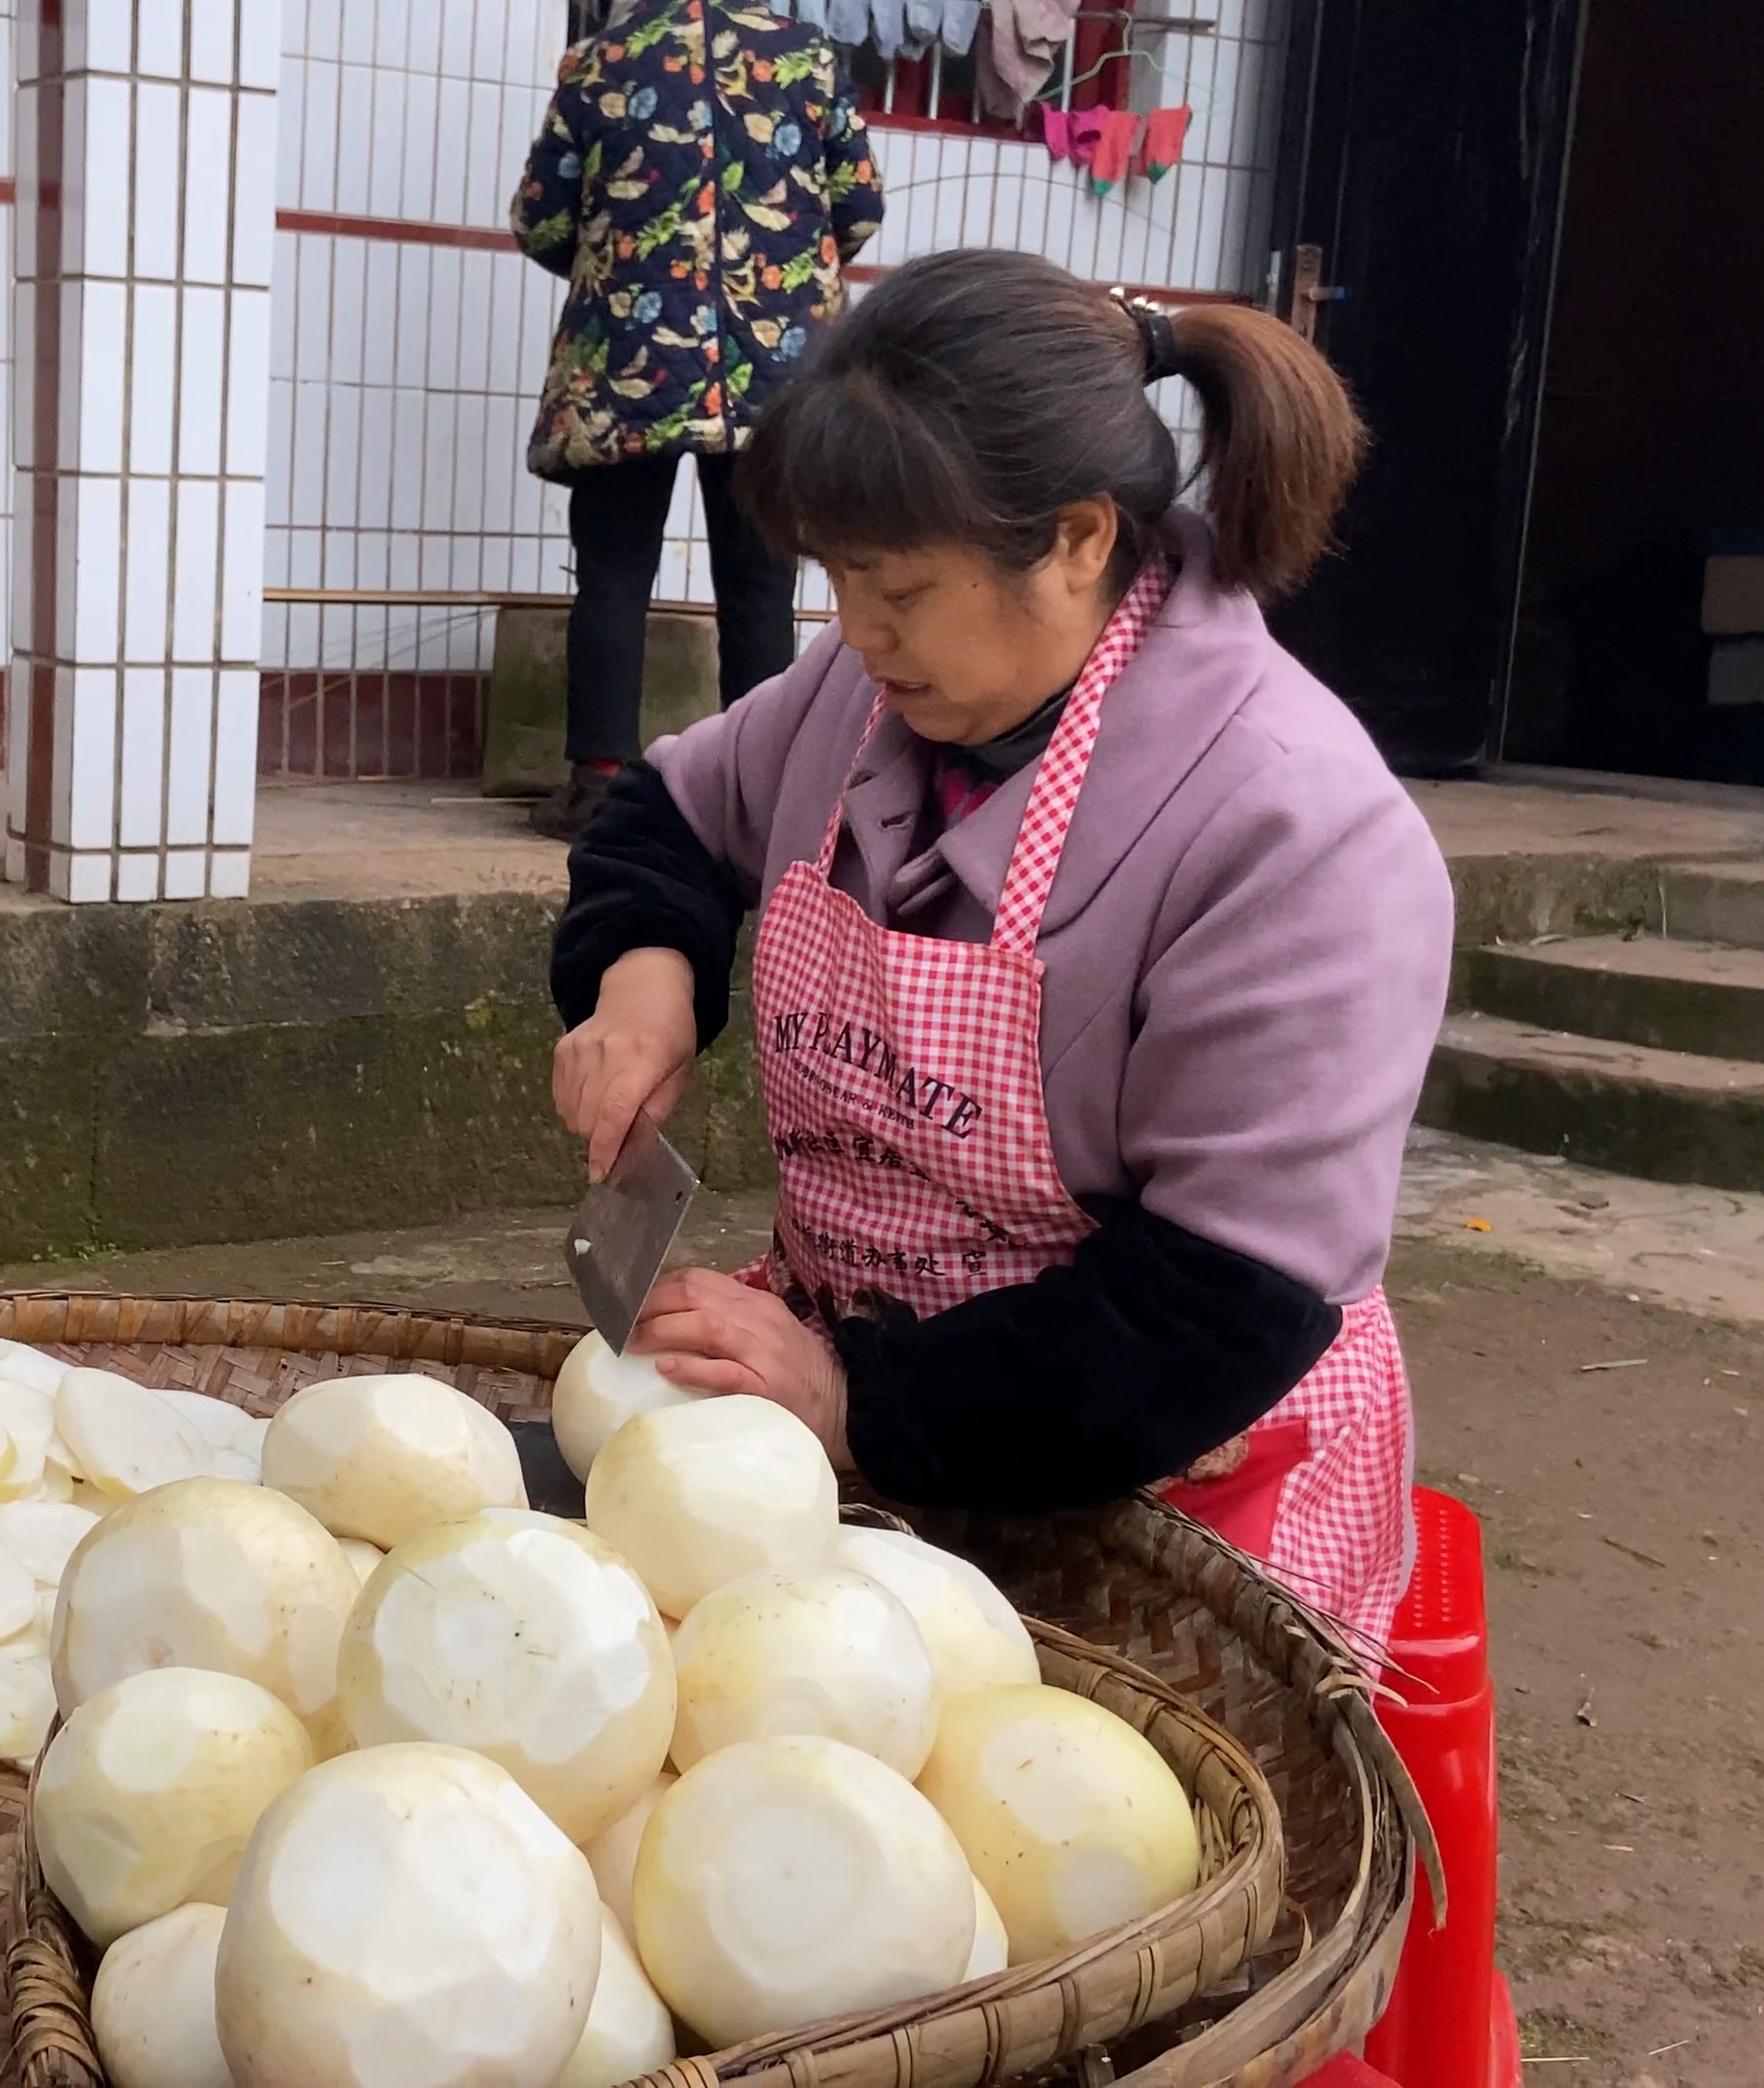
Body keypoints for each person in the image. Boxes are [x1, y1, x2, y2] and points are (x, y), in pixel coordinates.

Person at [549, 249, 1451, 1643]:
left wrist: (858, 1402)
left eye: (900, 587)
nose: (856, 632)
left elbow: (1218, 1304)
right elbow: (667, 813)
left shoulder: (1294, 831)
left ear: (1082, 539)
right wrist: (645, 977)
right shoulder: (856, 699)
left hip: (1151, 1469)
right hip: (856, 1402)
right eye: (838, 579)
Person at [510, 0, 884, 841]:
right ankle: (758, 792)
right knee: (760, 581)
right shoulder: (808, 60)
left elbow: (543, 218)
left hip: (627, 360)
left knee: (612, 568)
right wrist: (785, 270)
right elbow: (857, 209)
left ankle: (599, 784)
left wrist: (623, 261)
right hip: (775, 368)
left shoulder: (600, 62)